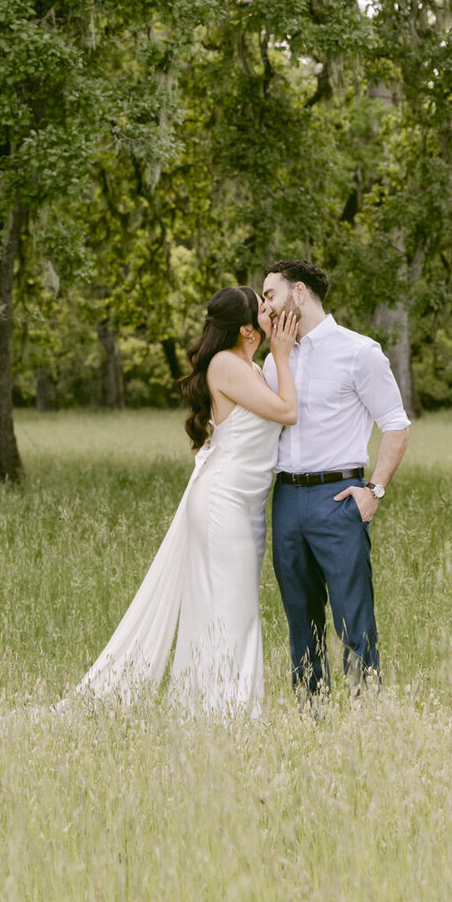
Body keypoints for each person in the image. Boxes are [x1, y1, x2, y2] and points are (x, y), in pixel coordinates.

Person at [72, 286, 298, 718]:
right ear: (248, 329)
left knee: (232, 606)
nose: (272, 309)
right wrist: (283, 357)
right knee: (229, 608)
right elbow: (288, 412)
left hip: (243, 505)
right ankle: (225, 714)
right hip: (222, 503)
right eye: (263, 305)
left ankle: (217, 709)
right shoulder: (226, 365)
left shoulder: (248, 364)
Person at [261, 259, 410, 701]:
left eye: (270, 294)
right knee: (300, 618)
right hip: (286, 497)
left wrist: (374, 491)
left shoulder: (359, 351)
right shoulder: (273, 361)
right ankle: (310, 714)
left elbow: (396, 424)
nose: (265, 306)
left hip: (339, 496)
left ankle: (366, 714)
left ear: (299, 293)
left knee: (353, 617)